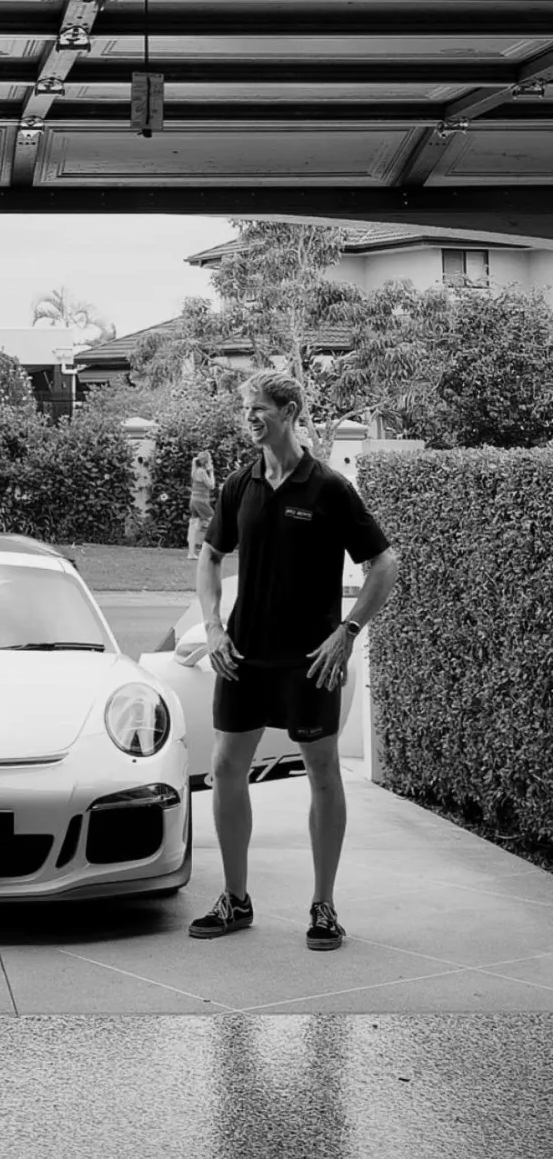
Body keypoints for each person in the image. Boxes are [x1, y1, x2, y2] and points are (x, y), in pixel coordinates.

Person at [189, 370, 398, 951]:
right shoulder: (240, 484)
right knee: (228, 767)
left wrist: (348, 631)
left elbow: (384, 563)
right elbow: (209, 558)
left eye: (257, 408)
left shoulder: (327, 487)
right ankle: (236, 898)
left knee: (323, 772)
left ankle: (324, 906)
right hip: (243, 655)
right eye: (244, 409)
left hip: (311, 660)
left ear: (289, 410)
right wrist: (211, 626)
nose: (248, 417)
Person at [186, 450, 215, 559]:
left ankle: (191, 553)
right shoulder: (202, 472)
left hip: (193, 500)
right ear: (206, 461)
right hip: (201, 501)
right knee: (214, 522)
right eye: (210, 459)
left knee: (194, 525)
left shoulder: (195, 470)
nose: (211, 461)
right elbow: (211, 485)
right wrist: (211, 472)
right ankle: (211, 550)